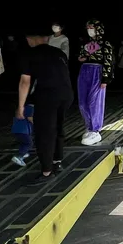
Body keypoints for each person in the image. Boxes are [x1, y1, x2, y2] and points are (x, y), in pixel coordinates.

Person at [19, 28, 76, 183]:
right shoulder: (60, 54)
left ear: (31, 39)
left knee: (44, 133)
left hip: (48, 96)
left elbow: (26, 82)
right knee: (58, 127)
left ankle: (46, 172)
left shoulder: (30, 54)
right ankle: (57, 161)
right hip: (66, 94)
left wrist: (21, 106)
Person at [76, 19, 114, 145]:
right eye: (88, 28)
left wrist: (105, 78)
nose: (89, 30)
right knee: (82, 102)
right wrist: (86, 56)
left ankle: (95, 129)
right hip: (85, 71)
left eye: (92, 27)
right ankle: (88, 125)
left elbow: (108, 61)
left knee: (94, 101)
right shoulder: (86, 44)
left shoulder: (105, 44)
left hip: (97, 72)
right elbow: (80, 57)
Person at [12, 102, 35, 168]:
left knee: (23, 143)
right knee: (29, 143)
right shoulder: (30, 107)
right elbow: (30, 118)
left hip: (17, 130)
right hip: (23, 131)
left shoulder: (22, 108)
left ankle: (23, 153)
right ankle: (19, 157)